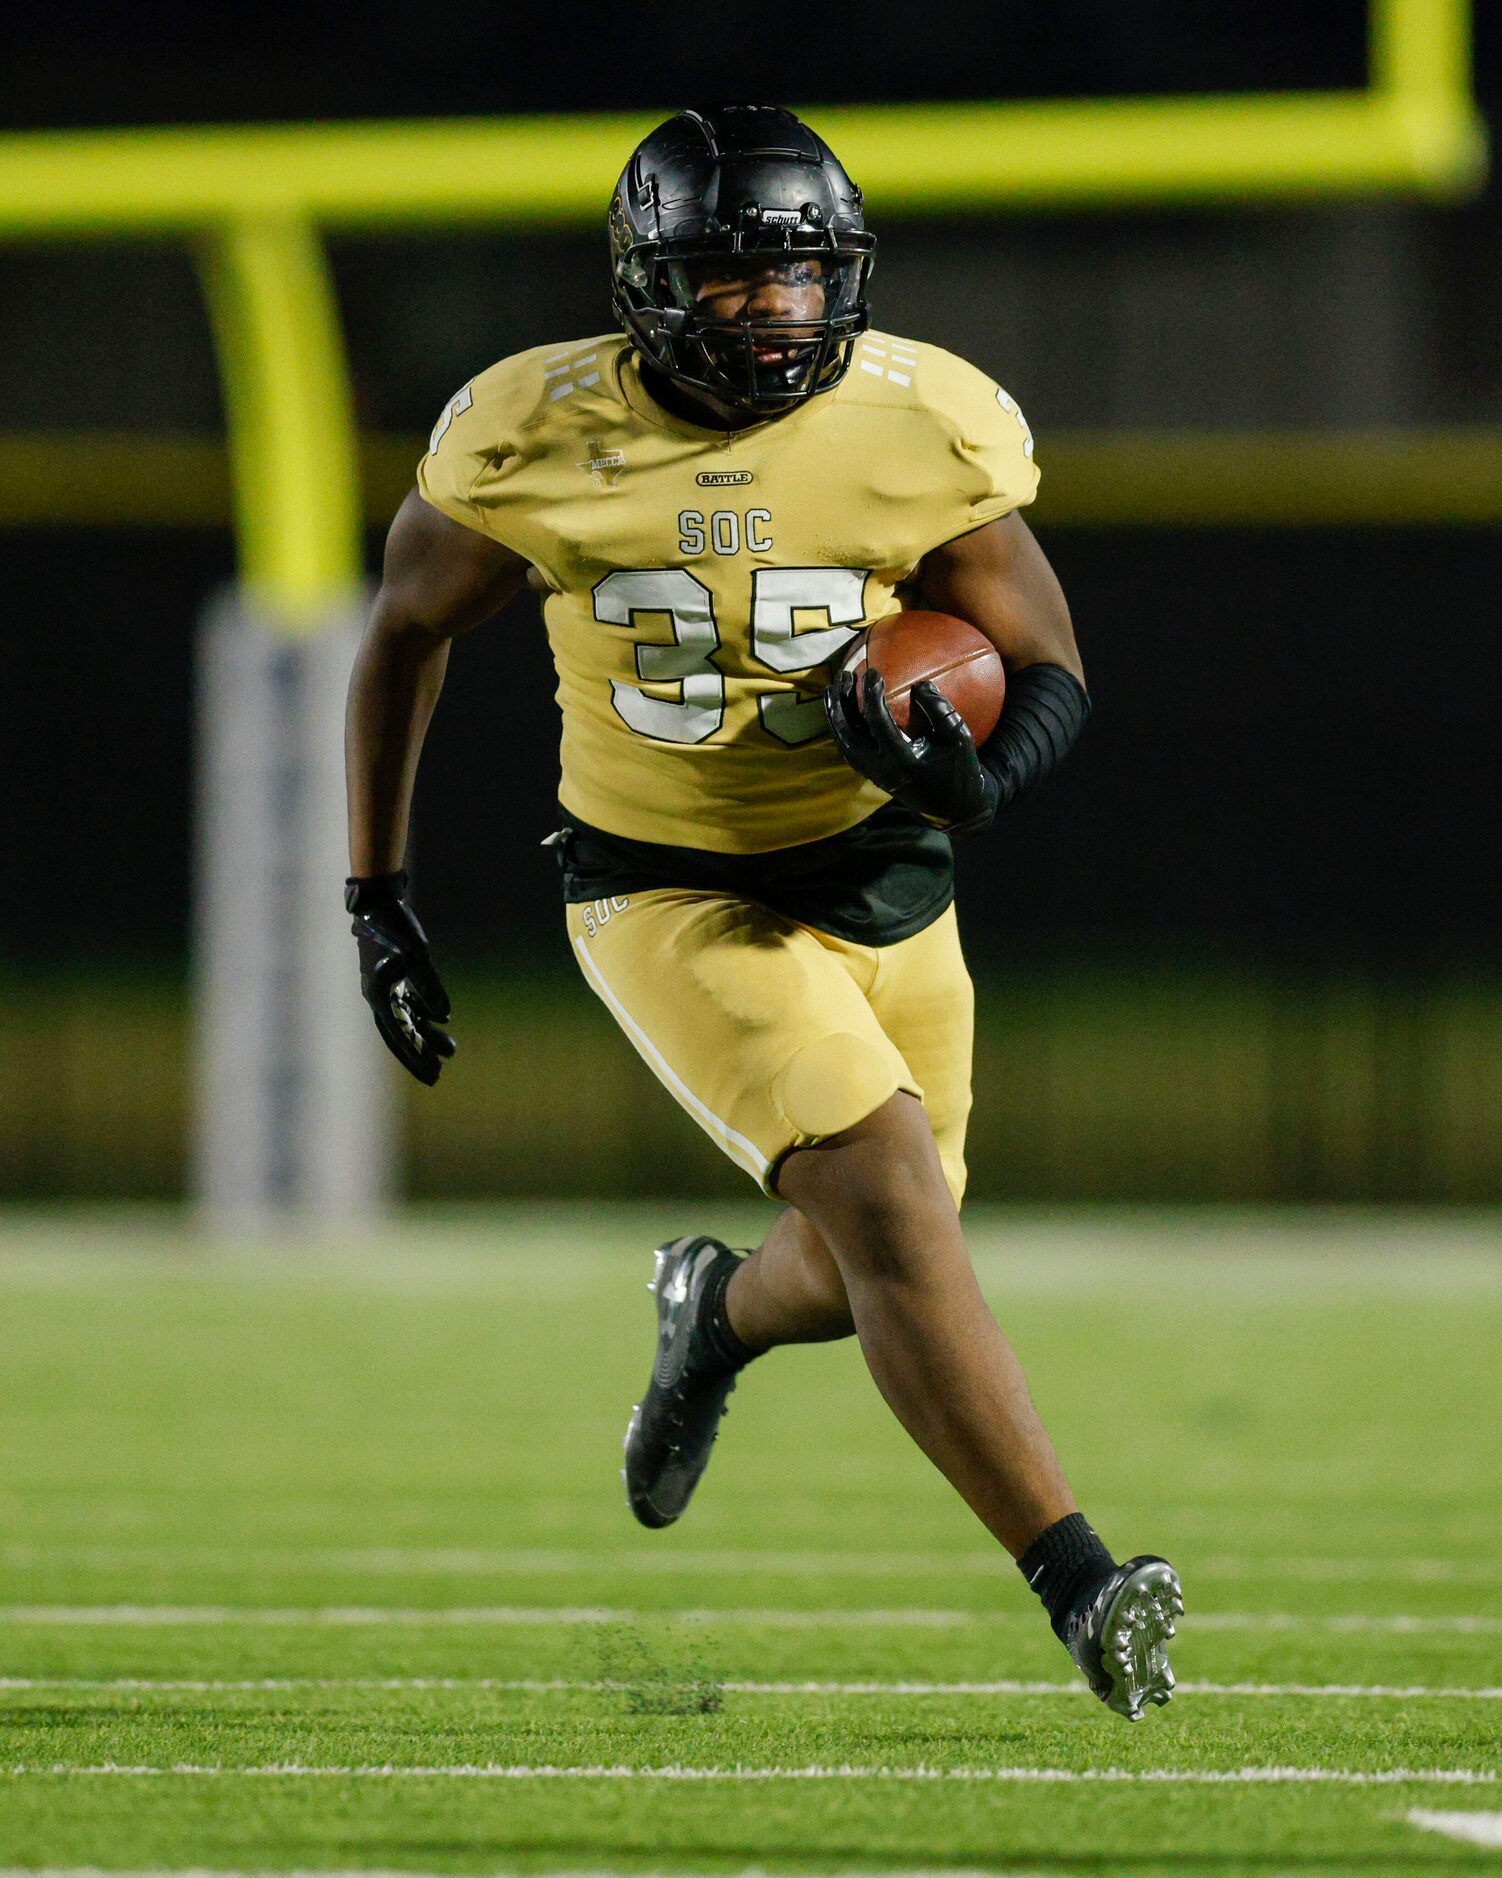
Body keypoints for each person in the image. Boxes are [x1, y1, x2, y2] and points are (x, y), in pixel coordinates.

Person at [344, 103, 1182, 1719]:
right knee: (885, 1194)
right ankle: (1081, 1579)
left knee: (887, 1234)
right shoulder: (527, 430)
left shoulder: (919, 419)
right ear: (649, 286)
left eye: (800, 275)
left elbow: (1052, 661)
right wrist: (377, 890)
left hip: (884, 877)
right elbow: (399, 631)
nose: (773, 310)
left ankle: (712, 1310)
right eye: (732, 279)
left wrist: (972, 784)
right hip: (669, 888)